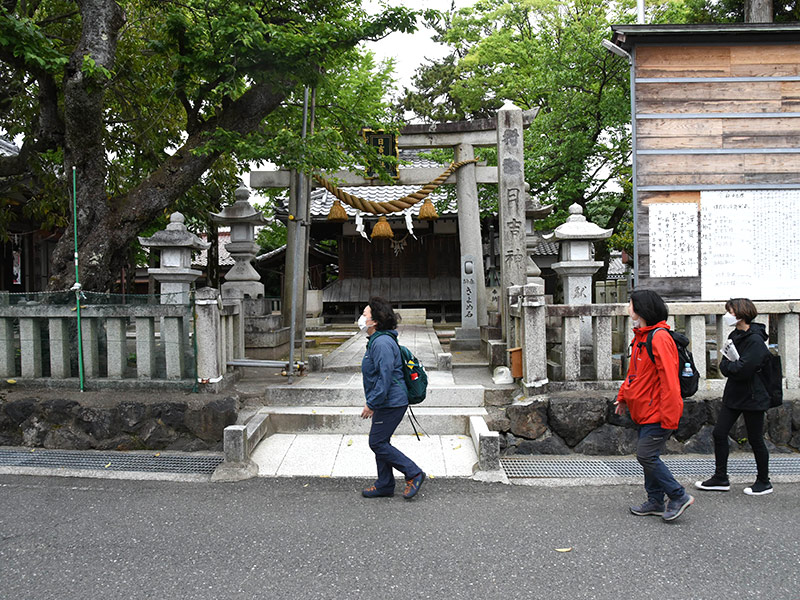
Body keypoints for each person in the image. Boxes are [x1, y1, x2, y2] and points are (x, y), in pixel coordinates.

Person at [615, 289, 695, 522]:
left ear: (641, 309)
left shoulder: (659, 337)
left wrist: (669, 416)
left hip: (657, 411)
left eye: (630, 304)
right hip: (643, 409)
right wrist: (622, 397)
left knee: (646, 455)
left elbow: (670, 381)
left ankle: (678, 495)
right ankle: (655, 501)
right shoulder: (641, 336)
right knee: (648, 455)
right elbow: (634, 374)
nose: (628, 308)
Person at [695, 298, 773, 496]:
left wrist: (732, 367)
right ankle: (720, 477)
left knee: (755, 439)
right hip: (734, 394)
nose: (727, 315)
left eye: (729, 311)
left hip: (753, 396)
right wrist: (732, 367)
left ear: (740, 313)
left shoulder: (755, 340)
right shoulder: (735, 335)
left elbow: (743, 369)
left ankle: (764, 481)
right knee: (719, 433)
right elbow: (724, 365)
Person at [359, 296, 426, 500]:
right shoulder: (378, 341)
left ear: (375, 321)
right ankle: (385, 484)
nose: (361, 318)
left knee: (377, 442)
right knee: (382, 440)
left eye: (364, 314)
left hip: (391, 401)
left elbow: (385, 377)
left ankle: (413, 473)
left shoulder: (382, 343)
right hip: (388, 400)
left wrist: (372, 403)